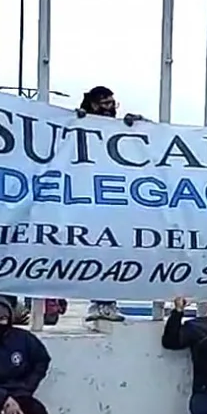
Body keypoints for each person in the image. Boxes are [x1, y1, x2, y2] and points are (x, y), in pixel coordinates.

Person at [75, 85, 143, 323]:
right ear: (93, 105)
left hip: (115, 202)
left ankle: (107, 302)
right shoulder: (77, 123)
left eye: (113, 103)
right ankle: (99, 303)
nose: (111, 108)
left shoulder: (120, 127)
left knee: (113, 251)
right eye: (106, 104)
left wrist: (141, 126)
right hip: (87, 200)